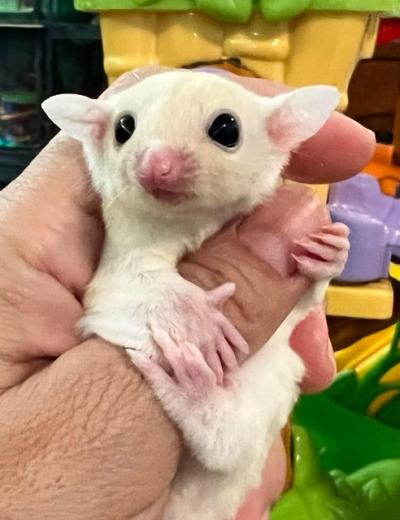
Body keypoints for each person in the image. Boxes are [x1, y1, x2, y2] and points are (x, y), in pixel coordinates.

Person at [0, 67, 375, 520]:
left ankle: (217, 423)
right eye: (125, 131)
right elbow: (118, 296)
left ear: (279, 131)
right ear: (95, 133)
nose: (157, 163)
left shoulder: (266, 204)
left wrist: (317, 270)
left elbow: (295, 312)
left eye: (223, 132)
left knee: (277, 371)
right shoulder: (122, 237)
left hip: (226, 447)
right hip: (138, 474)